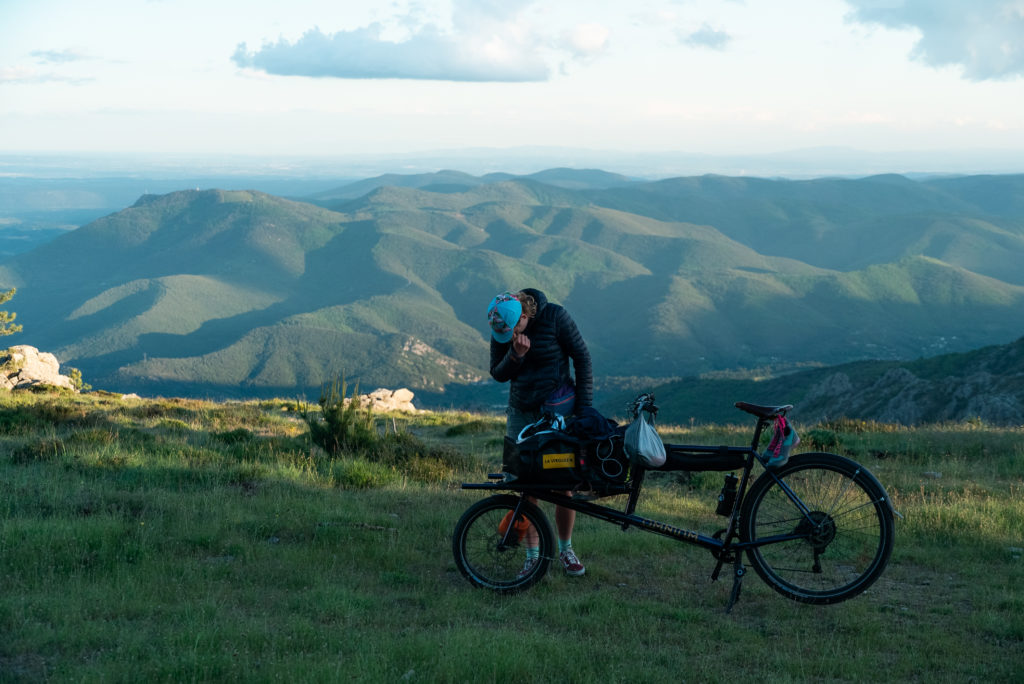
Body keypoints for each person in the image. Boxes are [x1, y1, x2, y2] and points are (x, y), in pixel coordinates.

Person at [487, 288, 593, 577]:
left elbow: (582, 358)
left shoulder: (556, 317)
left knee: (564, 483)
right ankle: (532, 557)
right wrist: (516, 355)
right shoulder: (501, 318)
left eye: (514, 328)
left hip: (557, 411)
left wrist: (583, 410)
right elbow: (497, 373)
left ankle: (566, 550)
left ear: (524, 315)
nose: (508, 333)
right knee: (526, 486)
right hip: (521, 412)